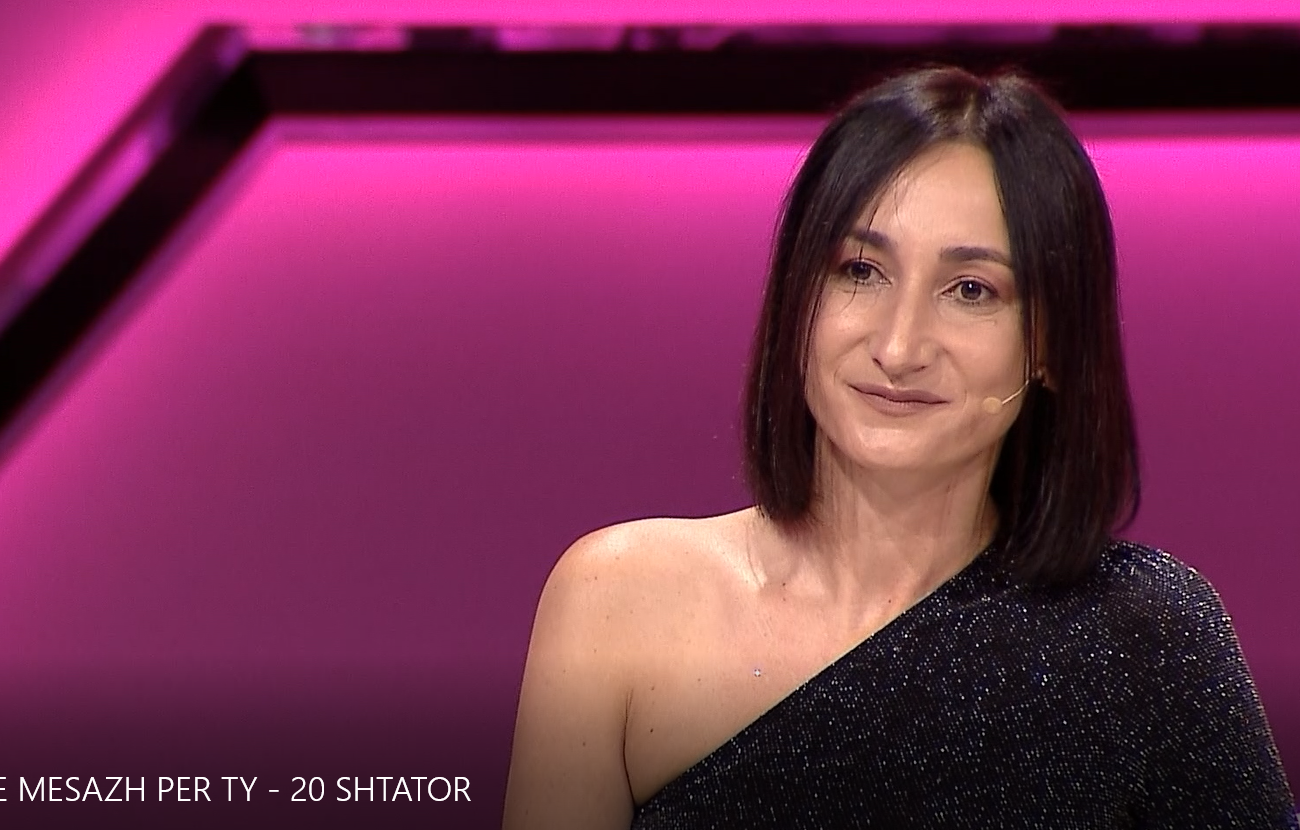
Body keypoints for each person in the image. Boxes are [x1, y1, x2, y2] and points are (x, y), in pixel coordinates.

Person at [501, 66, 1298, 829]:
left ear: (1052, 343)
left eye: (971, 290)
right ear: (797, 299)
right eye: (860, 270)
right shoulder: (617, 605)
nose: (898, 345)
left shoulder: (1146, 636)